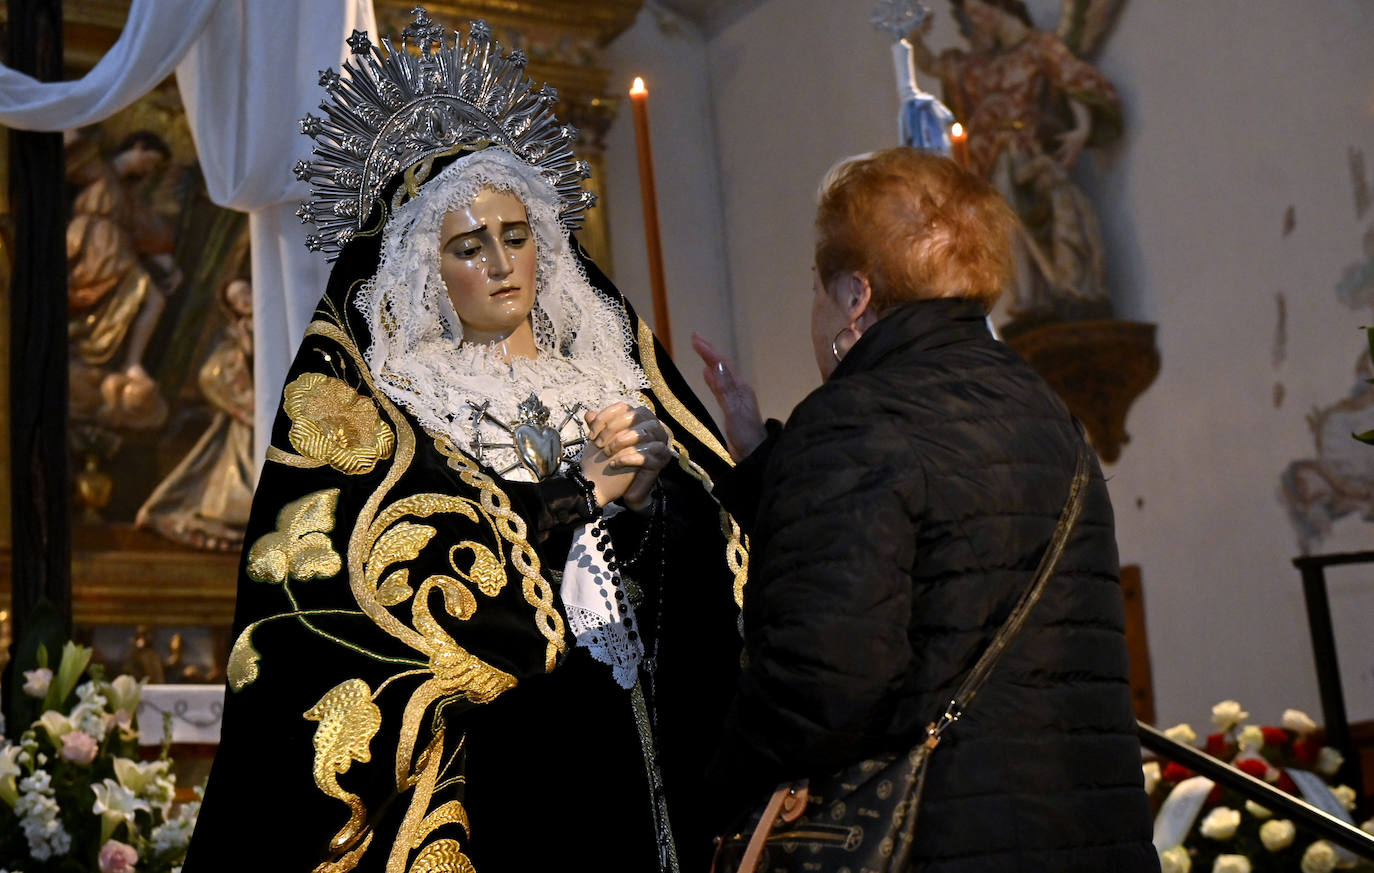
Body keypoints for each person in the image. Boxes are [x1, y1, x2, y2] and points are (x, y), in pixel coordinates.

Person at [182, 14, 744, 873]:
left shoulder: (605, 375)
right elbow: (368, 606)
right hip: (503, 768)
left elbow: (720, 569)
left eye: (515, 237)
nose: (501, 263)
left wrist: (654, 503)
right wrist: (576, 496)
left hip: (638, 742)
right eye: (468, 246)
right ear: (421, 266)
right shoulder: (398, 405)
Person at [697, 148, 1158, 872]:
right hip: (1090, 836)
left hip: (940, 841)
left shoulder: (855, 415)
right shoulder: (1047, 412)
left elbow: (822, 685)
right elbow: (950, 561)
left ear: (855, 294)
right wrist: (766, 463)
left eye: (818, 290)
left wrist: (702, 794)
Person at [909, 0, 1122, 323]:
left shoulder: (1038, 47)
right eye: (970, 16)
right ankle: (1029, 300)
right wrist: (914, 38)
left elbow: (1072, 80)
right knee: (1004, 229)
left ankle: (1063, 291)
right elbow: (934, 65)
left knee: (1042, 216)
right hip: (986, 159)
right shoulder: (975, 66)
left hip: (1025, 152)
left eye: (978, 11)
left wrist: (1081, 129)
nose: (976, 22)